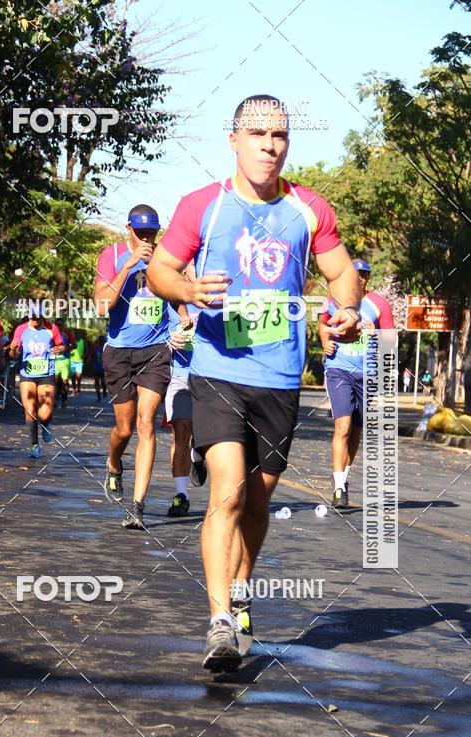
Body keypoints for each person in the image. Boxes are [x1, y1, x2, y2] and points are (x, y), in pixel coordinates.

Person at [146, 94, 361, 672]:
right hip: (218, 371)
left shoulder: (309, 208)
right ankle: (219, 623)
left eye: (281, 136)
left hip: (281, 376)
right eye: (259, 134)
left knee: (259, 499)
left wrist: (348, 310)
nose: (270, 146)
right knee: (228, 491)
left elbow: (341, 273)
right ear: (234, 140)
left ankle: (243, 588)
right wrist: (187, 291)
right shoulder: (203, 207)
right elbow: (159, 270)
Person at [94, 204, 171, 530]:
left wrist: (184, 315)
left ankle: (138, 507)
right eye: (140, 232)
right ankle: (114, 463)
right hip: (120, 351)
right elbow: (101, 307)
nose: (146, 238)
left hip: (155, 350)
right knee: (124, 429)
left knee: (146, 424)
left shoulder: (166, 258)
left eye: (151, 232)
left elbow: (178, 293)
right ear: (128, 229)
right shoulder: (110, 256)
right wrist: (127, 267)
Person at [318, 258, 395, 509]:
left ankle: (345, 478)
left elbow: (390, 341)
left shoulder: (379, 304)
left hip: (367, 374)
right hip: (338, 369)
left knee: (356, 430)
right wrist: (325, 341)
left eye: (364, 275)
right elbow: (322, 324)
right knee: (343, 425)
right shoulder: (333, 300)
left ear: (368, 279)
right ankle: (338, 486)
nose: (360, 278)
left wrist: (374, 332)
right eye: (356, 274)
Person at [165, 303, 207, 517]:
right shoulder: (168, 298)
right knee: (181, 430)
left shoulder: (215, 293)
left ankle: (197, 455)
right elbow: (151, 335)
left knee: (204, 434)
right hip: (179, 376)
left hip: (211, 378)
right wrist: (168, 342)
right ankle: (181, 495)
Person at [8, 305, 64, 457]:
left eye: (38, 319)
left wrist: (60, 349)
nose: (35, 322)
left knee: (44, 414)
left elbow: (62, 345)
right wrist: (13, 349)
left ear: (43, 317)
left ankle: (45, 424)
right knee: (30, 411)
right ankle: (34, 445)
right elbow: (13, 355)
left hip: (47, 373)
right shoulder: (21, 329)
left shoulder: (52, 328)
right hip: (27, 374)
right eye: (33, 318)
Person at [54, 318, 71, 407]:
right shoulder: (51, 334)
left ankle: (64, 398)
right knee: (55, 381)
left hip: (65, 360)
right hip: (55, 361)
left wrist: (65, 348)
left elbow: (74, 345)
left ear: (63, 326)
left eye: (60, 325)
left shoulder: (67, 334)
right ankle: (54, 399)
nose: (58, 326)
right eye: (56, 324)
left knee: (64, 381)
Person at [69, 329, 86, 396]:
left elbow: (87, 350)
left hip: (79, 362)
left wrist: (84, 356)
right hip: (72, 361)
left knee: (78, 376)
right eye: (75, 334)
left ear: (80, 335)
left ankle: (78, 387)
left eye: (78, 334)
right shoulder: (71, 342)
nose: (77, 335)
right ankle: (74, 390)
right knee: (73, 377)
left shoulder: (83, 341)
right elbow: (68, 349)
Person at [92, 334, 107, 402]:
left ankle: (104, 390)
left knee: (103, 383)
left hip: (103, 368)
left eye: (102, 341)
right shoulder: (95, 348)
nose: (101, 342)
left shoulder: (106, 349)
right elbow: (92, 355)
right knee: (97, 382)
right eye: (100, 341)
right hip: (96, 367)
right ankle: (98, 397)